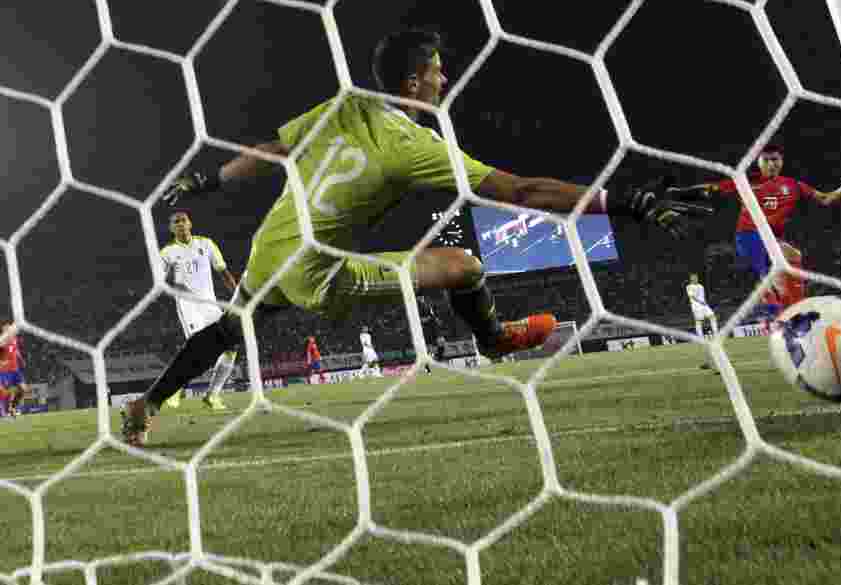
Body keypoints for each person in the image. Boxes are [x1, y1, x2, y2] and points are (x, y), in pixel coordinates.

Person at [120, 28, 711, 446]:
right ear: (414, 82)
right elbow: (522, 192)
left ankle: (147, 405)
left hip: (271, 246)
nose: (444, 76)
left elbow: (274, 150)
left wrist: (206, 182)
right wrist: (626, 202)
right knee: (467, 268)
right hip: (317, 270)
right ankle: (495, 339)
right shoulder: (413, 145)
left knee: (227, 329)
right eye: (436, 68)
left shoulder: (345, 104)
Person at [681, 144, 841, 320]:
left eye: (775, 159)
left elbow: (824, 199)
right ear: (758, 162)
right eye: (766, 160)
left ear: (781, 161)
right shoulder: (747, 181)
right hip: (748, 236)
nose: (771, 163)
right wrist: (680, 193)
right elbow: (711, 189)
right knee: (783, 264)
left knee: (790, 262)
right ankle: (789, 311)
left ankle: (785, 312)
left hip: (772, 239)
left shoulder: (793, 185)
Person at [160, 211, 239, 411]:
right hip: (188, 306)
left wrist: (239, 297)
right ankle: (176, 389)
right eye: (175, 222)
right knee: (198, 348)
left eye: (183, 220)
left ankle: (212, 395)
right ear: (171, 228)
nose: (180, 224)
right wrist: (176, 286)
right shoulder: (167, 252)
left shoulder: (206, 244)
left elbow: (223, 272)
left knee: (231, 346)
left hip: (210, 304)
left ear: (190, 223)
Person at [685, 273, 719, 372]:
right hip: (697, 307)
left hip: (703, 306)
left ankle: (715, 332)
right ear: (690, 279)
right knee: (700, 322)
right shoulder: (689, 287)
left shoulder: (701, 286)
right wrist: (701, 302)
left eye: (696, 278)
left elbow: (703, 297)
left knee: (712, 316)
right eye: (693, 278)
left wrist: (704, 303)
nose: (695, 279)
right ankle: (701, 334)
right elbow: (692, 297)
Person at [0, 321, 26, 418]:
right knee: (4, 392)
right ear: (3, 329)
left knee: (23, 389)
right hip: (5, 371)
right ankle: (4, 412)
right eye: (6, 327)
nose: (8, 328)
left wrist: (21, 359)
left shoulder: (14, 338)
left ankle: (13, 408)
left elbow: (16, 350)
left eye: (9, 327)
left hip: (15, 370)